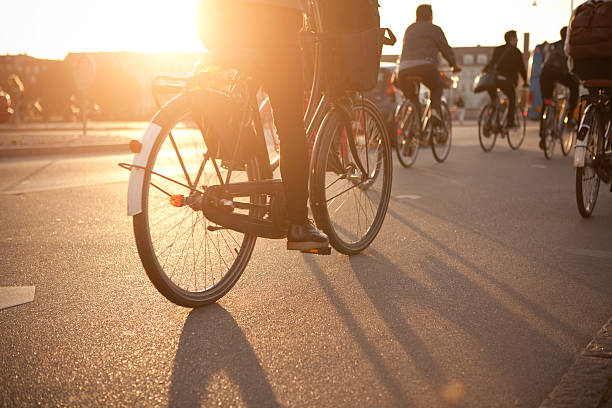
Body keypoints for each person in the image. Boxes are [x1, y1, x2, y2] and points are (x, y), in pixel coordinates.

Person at [196, 0, 328, 251]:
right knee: (291, 126)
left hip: (214, 18)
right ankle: (299, 224)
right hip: (272, 19)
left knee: (233, 95)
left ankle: (240, 146)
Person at [396, 4, 461, 124]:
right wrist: (453, 64)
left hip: (404, 69)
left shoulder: (409, 29)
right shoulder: (434, 29)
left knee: (412, 98)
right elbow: (445, 48)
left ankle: (414, 124)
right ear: (430, 16)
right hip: (426, 67)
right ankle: (434, 111)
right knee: (436, 86)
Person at [538, 27, 579, 150]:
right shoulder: (570, 47)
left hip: (545, 74)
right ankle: (571, 115)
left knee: (546, 102)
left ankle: (543, 133)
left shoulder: (552, 46)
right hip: (560, 73)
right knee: (574, 86)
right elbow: (572, 67)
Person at [483, 30, 528, 128]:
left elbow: (491, 63)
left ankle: (493, 122)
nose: (517, 40)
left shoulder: (498, 49)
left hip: (493, 80)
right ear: (512, 39)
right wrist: (525, 81)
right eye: (516, 38)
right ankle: (510, 123)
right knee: (512, 99)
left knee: (495, 101)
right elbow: (521, 68)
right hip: (506, 81)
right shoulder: (516, 52)